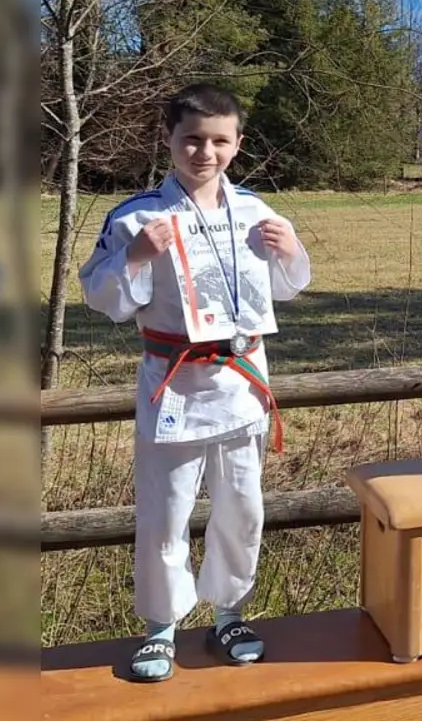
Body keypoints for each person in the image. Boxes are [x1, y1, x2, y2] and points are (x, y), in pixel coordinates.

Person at [79, 83, 311, 682]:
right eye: (191, 140)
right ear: (169, 140)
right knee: (165, 510)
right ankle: (161, 626)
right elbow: (102, 298)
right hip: (175, 382)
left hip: (242, 379)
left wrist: (289, 250)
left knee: (242, 505)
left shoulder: (259, 211)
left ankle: (230, 612)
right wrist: (132, 257)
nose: (204, 152)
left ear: (237, 144)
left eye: (218, 141)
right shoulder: (136, 216)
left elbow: (288, 286)